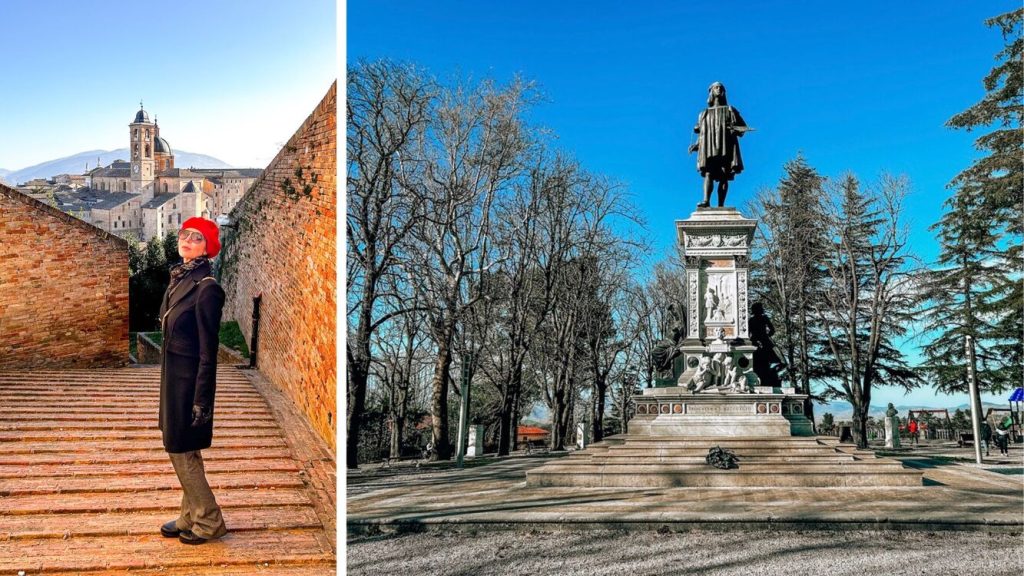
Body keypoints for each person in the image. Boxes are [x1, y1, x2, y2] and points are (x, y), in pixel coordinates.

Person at [158, 217, 228, 545]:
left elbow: (208, 351)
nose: (187, 241)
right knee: (183, 449)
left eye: (196, 238)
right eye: (185, 235)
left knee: (181, 451)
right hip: (173, 378)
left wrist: (202, 399)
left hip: (189, 384)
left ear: (207, 247)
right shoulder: (180, 277)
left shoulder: (207, 288)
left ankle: (209, 519)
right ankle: (189, 516)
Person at [688, 82, 750, 208]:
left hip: (725, 146)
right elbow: (703, 134)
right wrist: (697, 145)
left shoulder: (730, 110)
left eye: (721, 88)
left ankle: (721, 205)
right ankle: (706, 200)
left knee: (724, 176)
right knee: (708, 173)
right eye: (716, 87)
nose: (719, 89)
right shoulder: (704, 113)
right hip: (709, 148)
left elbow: (744, 128)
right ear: (711, 91)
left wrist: (734, 129)